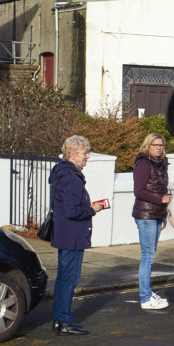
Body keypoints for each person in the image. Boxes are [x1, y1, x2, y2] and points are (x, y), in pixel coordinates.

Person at [49, 135, 106, 335]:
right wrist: (93, 208)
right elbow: (73, 211)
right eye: (84, 153)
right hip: (72, 236)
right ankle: (64, 321)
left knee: (64, 278)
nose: (88, 157)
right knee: (69, 279)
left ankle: (59, 319)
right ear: (72, 155)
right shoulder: (72, 179)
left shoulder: (61, 174)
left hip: (64, 234)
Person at [133, 133, 172, 310]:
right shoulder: (143, 164)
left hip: (156, 215)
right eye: (155, 145)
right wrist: (161, 200)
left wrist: (163, 214)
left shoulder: (161, 165)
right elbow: (139, 191)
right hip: (146, 215)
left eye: (161, 145)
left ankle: (147, 292)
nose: (158, 148)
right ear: (147, 146)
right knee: (147, 256)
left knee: (150, 255)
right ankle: (145, 297)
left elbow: (161, 190)